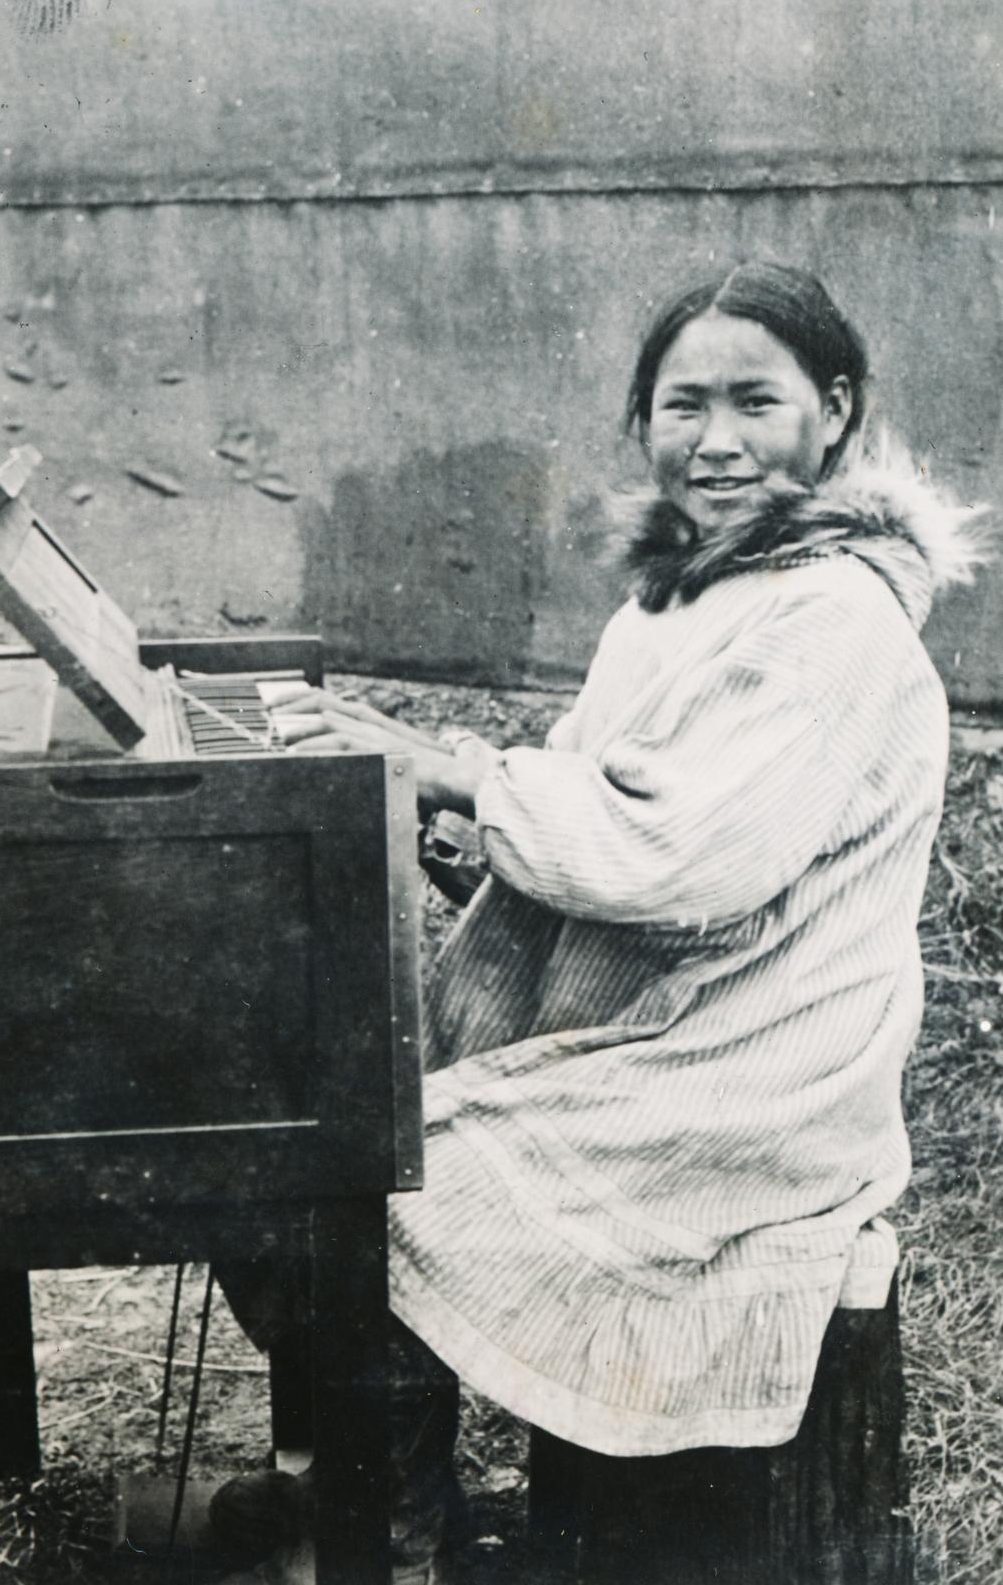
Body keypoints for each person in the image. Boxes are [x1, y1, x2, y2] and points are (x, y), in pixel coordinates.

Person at [215, 262, 987, 1584]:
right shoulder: (684, 594)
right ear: (642, 423)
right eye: (683, 405)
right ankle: (373, 1507)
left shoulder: (833, 617)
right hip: (663, 1031)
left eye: (758, 400)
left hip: (752, 1075)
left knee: (380, 1190)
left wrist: (451, 767)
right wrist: (430, 815)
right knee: (307, 1152)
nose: (718, 442)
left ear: (835, 412)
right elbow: (595, 798)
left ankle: (385, 1543)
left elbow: (684, 858)